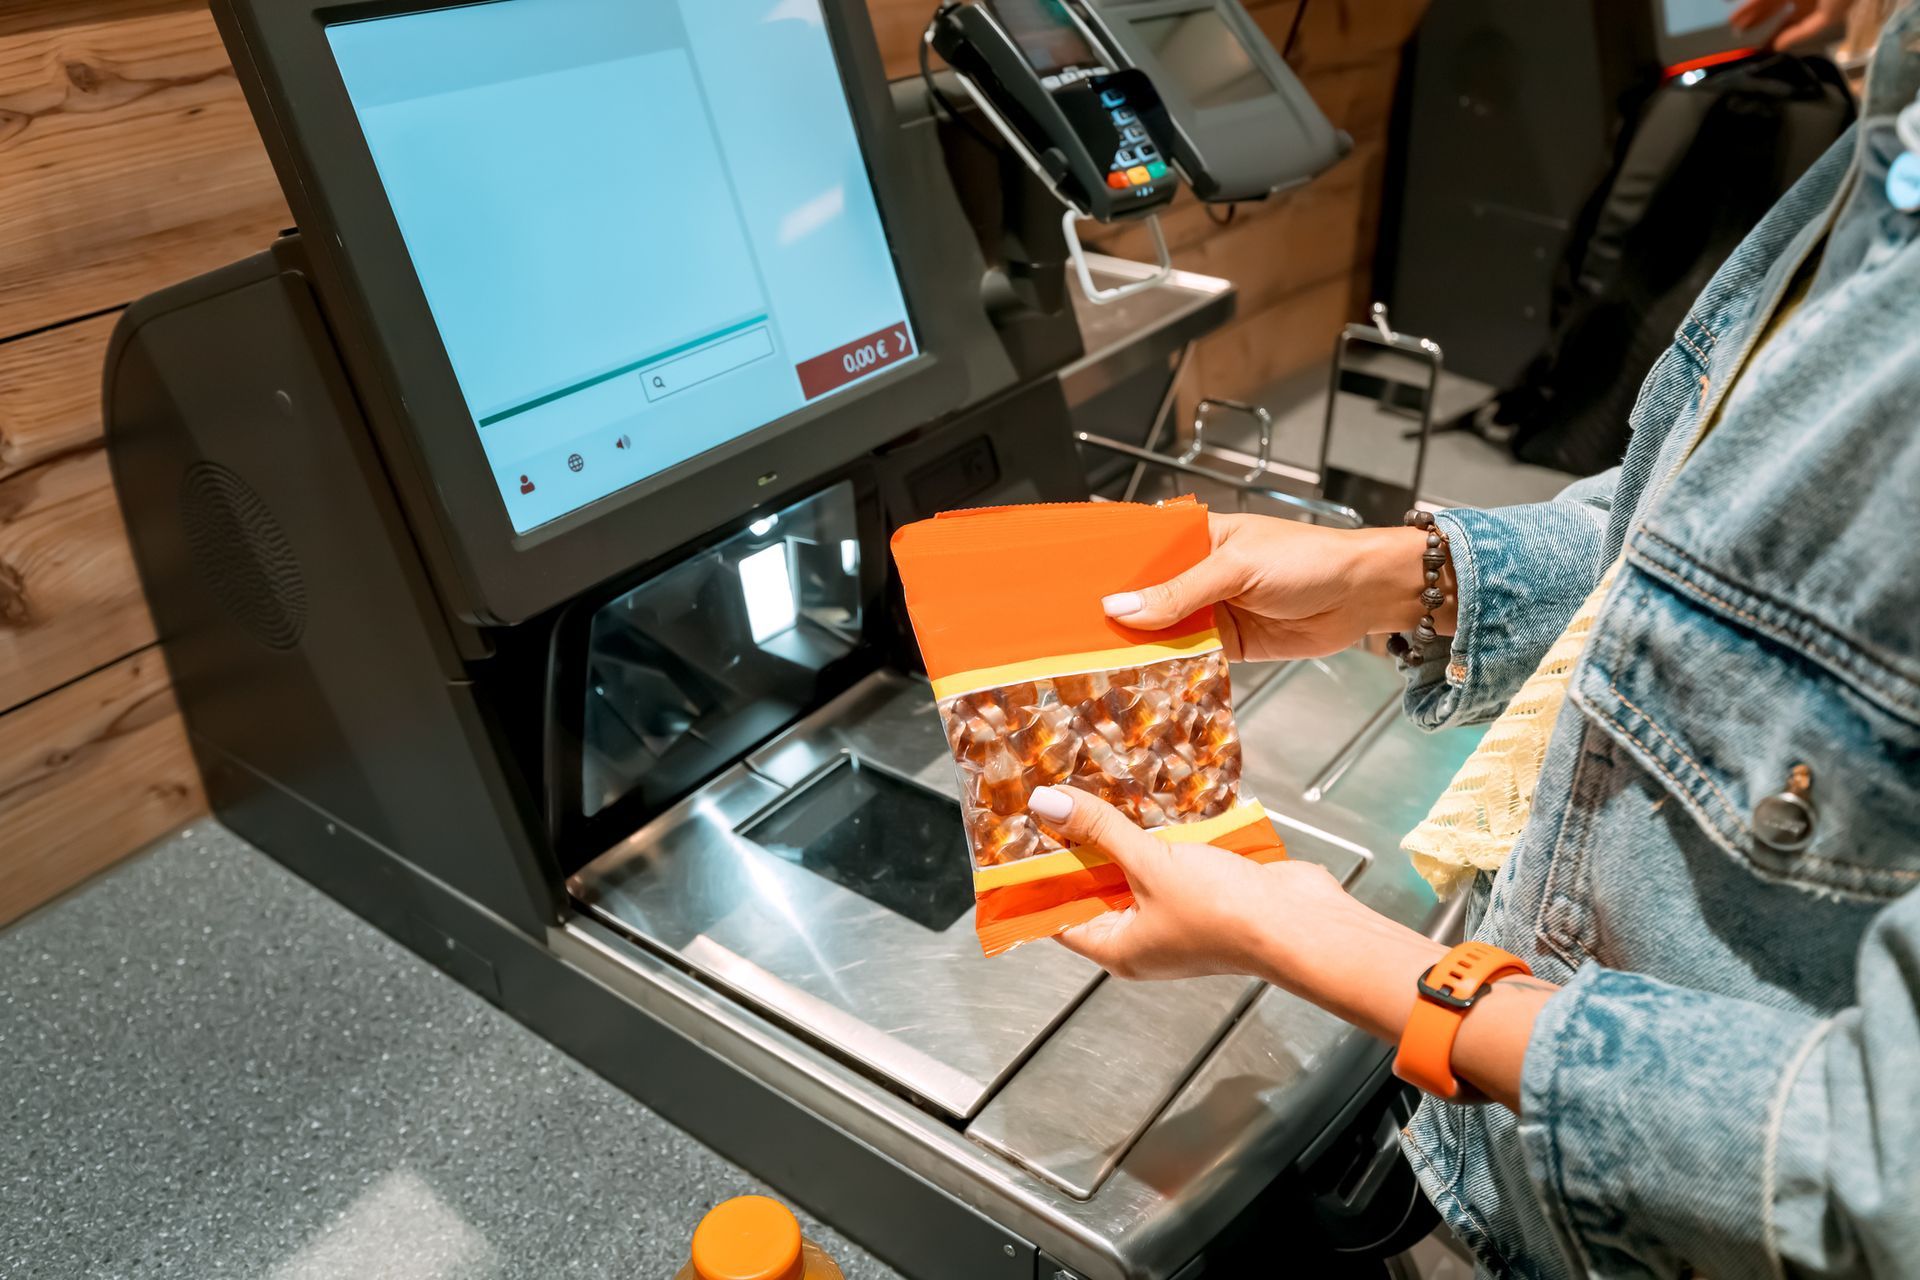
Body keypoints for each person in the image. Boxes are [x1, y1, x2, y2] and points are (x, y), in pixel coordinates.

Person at [1025, 7, 1920, 1276]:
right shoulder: (1887, 141)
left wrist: (1313, 940)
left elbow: (1888, 1163)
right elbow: (1727, 529)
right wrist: (1412, 573)